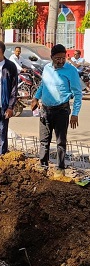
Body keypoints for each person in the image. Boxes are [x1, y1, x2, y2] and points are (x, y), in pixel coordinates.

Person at [31, 44, 82, 176]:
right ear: (51, 57)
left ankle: (60, 168)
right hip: (46, 110)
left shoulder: (71, 71)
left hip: (62, 111)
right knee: (44, 141)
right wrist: (36, 98)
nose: (60, 61)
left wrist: (75, 113)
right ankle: (43, 167)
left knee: (60, 141)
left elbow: (78, 93)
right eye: (57, 58)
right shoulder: (47, 68)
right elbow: (43, 85)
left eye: (63, 58)